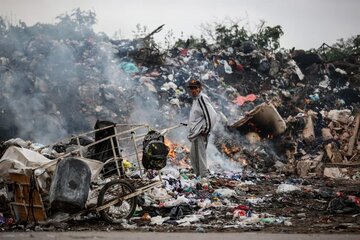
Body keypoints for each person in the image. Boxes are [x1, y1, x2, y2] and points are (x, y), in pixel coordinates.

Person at [187, 79, 217, 178]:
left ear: (200, 88)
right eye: (191, 88)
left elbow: (211, 115)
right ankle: (198, 175)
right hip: (195, 133)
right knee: (193, 156)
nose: (193, 90)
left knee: (200, 156)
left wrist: (206, 130)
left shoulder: (202, 98)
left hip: (200, 133)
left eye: (195, 88)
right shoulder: (195, 100)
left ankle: (203, 177)